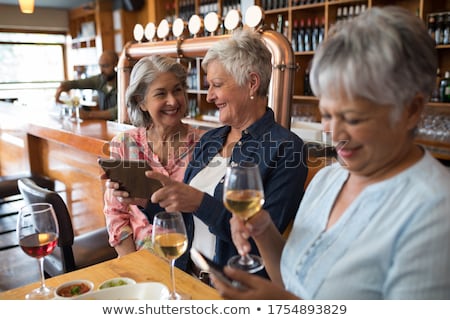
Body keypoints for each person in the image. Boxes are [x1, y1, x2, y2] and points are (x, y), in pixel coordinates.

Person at [211, 6, 450, 299]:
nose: (335, 135)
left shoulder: (435, 211)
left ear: (411, 110)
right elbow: (293, 279)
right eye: (327, 114)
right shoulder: (329, 178)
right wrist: (262, 230)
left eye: (353, 118)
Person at [140, 29, 309, 279]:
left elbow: (261, 240)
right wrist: (148, 201)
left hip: (232, 290)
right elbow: (184, 221)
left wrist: (199, 201)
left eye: (217, 85)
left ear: (252, 83)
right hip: (185, 276)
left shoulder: (286, 149)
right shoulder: (210, 139)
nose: (209, 96)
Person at [103, 55, 203, 256]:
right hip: (139, 259)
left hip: (191, 258)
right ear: (141, 102)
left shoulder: (206, 145)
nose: (173, 101)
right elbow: (116, 214)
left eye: (177, 90)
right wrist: (134, 267)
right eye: (161, 94)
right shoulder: (124, 144)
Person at [55, 50, 119, 121]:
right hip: (107, 125)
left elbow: (117, 112)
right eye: (100, 66)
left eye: (105, 66)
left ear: (116, 64)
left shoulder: (123, 83)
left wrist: (88, 114)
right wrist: (62, 87)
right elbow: (77, 83)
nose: (101, 70)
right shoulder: (100, 80)